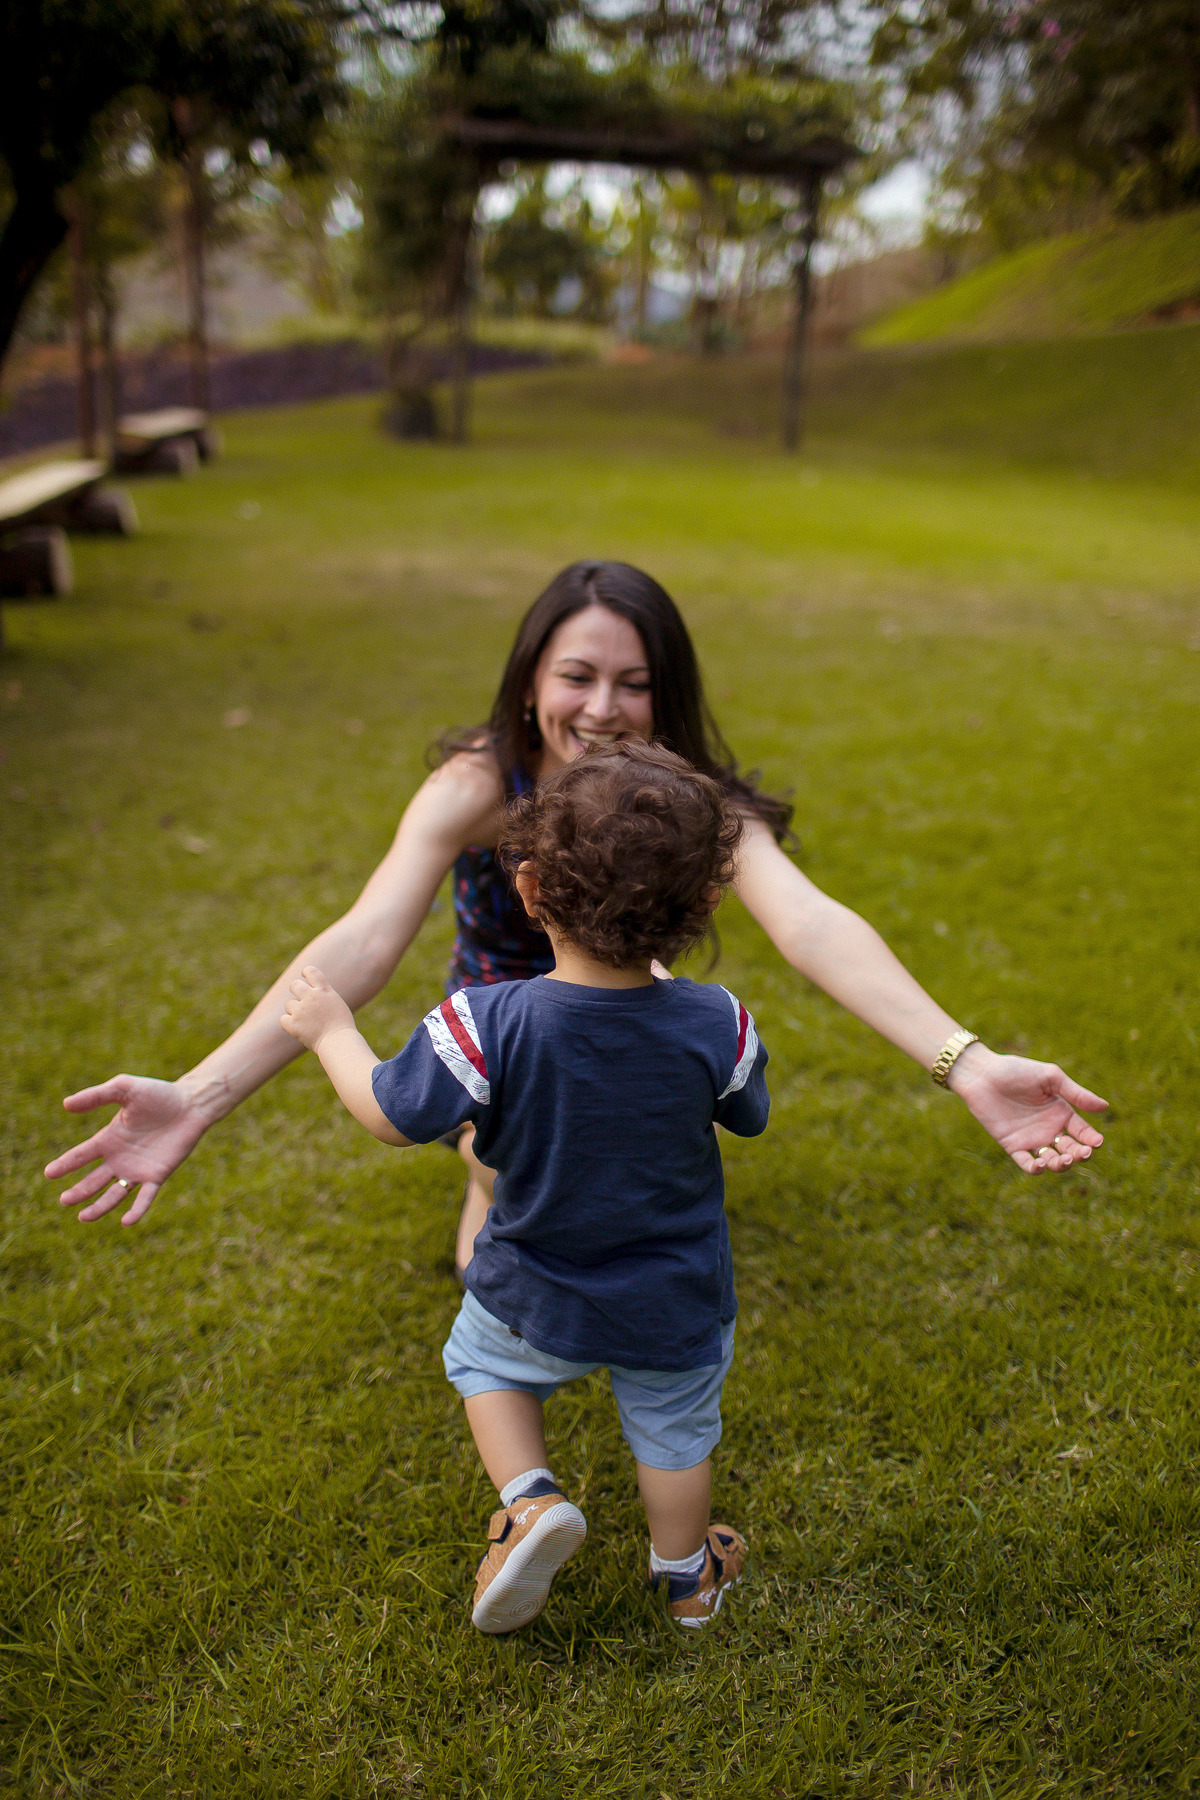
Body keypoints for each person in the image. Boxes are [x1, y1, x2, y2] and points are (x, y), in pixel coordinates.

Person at [45, 560, 1106, 1247]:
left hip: (632, 1027)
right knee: (507, 1192)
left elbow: (812, 924)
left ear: (666, 693)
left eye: (634, 683)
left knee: (615, 1206)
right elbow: (365, 938)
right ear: (529, 681)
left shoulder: (694, 803)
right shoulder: (476, 786)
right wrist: (202, 1094)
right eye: (577, 675)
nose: (602, 710)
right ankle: (490, 1194)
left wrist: (966, 1061)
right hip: (499, 1045)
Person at [278, 742, 768, 1632]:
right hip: (674, 1295)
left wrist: (330, 1032)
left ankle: (531, 1500)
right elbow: (748, 1113)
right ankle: (686, 1580)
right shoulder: (718, 1022)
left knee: (485, 1367)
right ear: (703, 905)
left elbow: (390, 1115)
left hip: (530, 1285)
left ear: (532, 890)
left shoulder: (485, 1022)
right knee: (675, 1433)